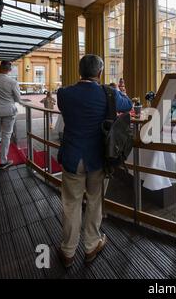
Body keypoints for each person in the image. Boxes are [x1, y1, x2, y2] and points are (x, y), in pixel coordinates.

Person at [57, 54, 132, 267]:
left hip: (72, 157)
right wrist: (118, 91)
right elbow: (126, 105)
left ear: (80, 71)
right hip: (98, 157)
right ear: (99, 73)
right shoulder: (108, 93)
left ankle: (68, 251)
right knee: (95, 201)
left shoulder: (64, 94)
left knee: (71, 204)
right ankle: (91, 245)